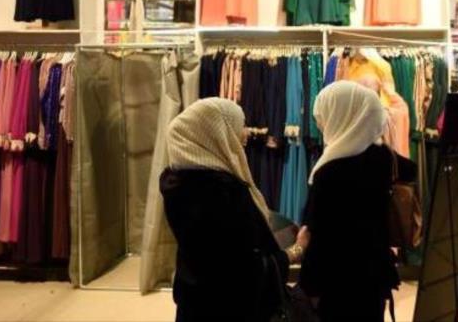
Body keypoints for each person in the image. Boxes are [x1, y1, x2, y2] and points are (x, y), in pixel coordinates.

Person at [160, 98, 309, 322]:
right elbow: (246, 273)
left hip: (194, 303)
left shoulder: (179, 183)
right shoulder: (224, 193)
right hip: (231, 309)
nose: (245, 135)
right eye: (237, 127)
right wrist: (296, 250)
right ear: (216, 135)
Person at [300, 81, 415, 321]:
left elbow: (319, 239)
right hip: (374, 273)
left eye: (323, 118)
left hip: (338, 282)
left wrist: (307, 286)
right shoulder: (383, 157)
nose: (321, 125)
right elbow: (411, 170)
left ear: (340, 116)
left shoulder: (328, 173)